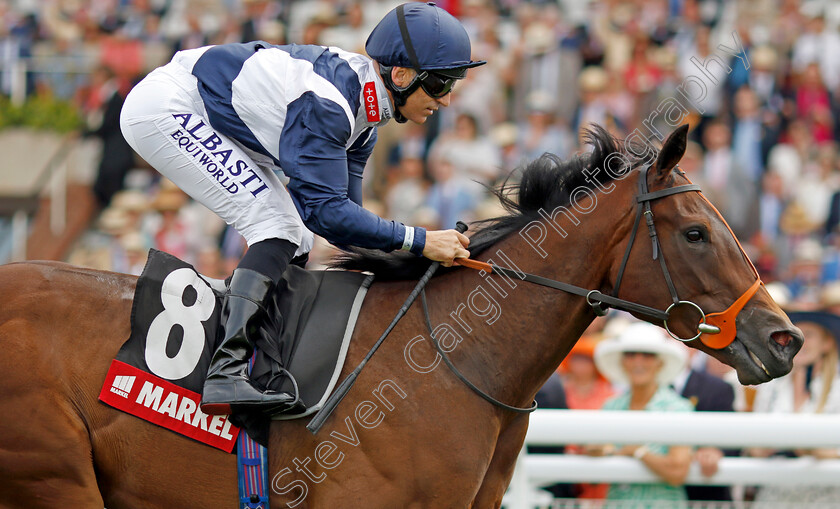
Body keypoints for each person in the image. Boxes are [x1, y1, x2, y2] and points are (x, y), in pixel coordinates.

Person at [119, 3, 479, 415]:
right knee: (278, 227)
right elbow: (326, 212)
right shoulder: (329, 106)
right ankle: (226, 370)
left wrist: (417, 258)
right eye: (441, 84)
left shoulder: (364, 123)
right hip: (169, 107)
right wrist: (420, 240)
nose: (447, 100)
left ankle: (264, 361)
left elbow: (345, 226)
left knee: (296, 235)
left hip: (205, 106)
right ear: (400, 75)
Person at [589, 322, 693, 508]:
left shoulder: (677, 408)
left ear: (659, 363)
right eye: (631, 355)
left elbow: (678, 472)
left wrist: (636, 452)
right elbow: (594, 468)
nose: (638, 362)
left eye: (647, 355)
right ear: (622, 362)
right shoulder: (611, 406)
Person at [749, 310, 840, 507]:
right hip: (774, 495)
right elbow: (753, 446)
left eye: (809, 334)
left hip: (825, 497)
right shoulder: (770, 387)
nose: (800, 342)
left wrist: (819, 452)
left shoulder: (837, 388)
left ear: (827, 343)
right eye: (795, 335)